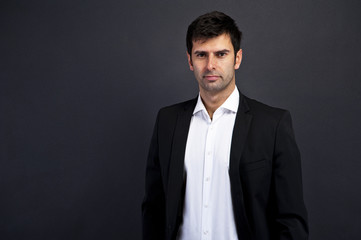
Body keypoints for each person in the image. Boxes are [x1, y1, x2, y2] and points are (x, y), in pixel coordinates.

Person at [142, 11, 308, 240]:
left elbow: (291, 221)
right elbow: (154, 209)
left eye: (221, 54)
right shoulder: (167, 122)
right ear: (190, 61)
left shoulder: (273, 125)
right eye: (201, 55)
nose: (210, 65)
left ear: (237, 58)